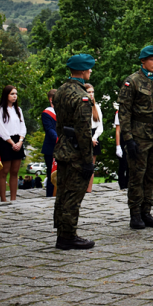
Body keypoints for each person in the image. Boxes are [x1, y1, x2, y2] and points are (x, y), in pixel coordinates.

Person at [118, 45, 153, 229]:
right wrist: (128, 138)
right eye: (152, 59)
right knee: (137, 175)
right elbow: (124, 112)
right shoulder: (132, 82)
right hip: (139, 135)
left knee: (151, 175)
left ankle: (146, 211)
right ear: (143, 61)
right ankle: (135, 213)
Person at [52, 53, 96, 250]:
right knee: (73, 195)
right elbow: (84, 132)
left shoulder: (61, 91)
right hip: (76, 152)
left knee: (62, 193)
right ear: (84, 71)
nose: (90, 72)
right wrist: (88, 161)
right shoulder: (82, 97)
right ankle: (68, 236)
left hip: (62, 148)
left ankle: (62, 231)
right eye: (89, 69)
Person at [0, 85, 26, 202]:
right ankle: (3, 199)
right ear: (6, 95)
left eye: (16, 94)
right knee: (4, 171)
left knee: (15, 171)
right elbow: (1, 129)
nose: (15, 96)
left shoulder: (18, 110)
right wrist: (12, 143)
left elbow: (23, 126)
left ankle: (13, 199)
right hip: (6, 141)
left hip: (18, 140)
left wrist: (20, 141)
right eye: (12, 94)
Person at [84, 83, 103, 193]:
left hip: (94, 135)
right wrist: (89, 138)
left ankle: (89, 189)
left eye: (92, 92)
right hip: (85, 135)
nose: (91, 94)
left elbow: (100, 126)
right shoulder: (82, 106)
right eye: (89, 92)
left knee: (91, 165)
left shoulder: (96, 107)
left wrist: (94, 138)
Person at [41, 89, 58, 197]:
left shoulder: (62, 111)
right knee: (51, 173)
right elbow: (49, 129)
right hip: (51, 147)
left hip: (63, 146)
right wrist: (58, 139)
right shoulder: (46, 113)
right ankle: (50, 195)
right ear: (51, 99)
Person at [113, 104, 128, 189]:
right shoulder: (120, 112)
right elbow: (118, 131)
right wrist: (118, 146)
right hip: (123, 138)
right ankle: (122, 184)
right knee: (123, 164)